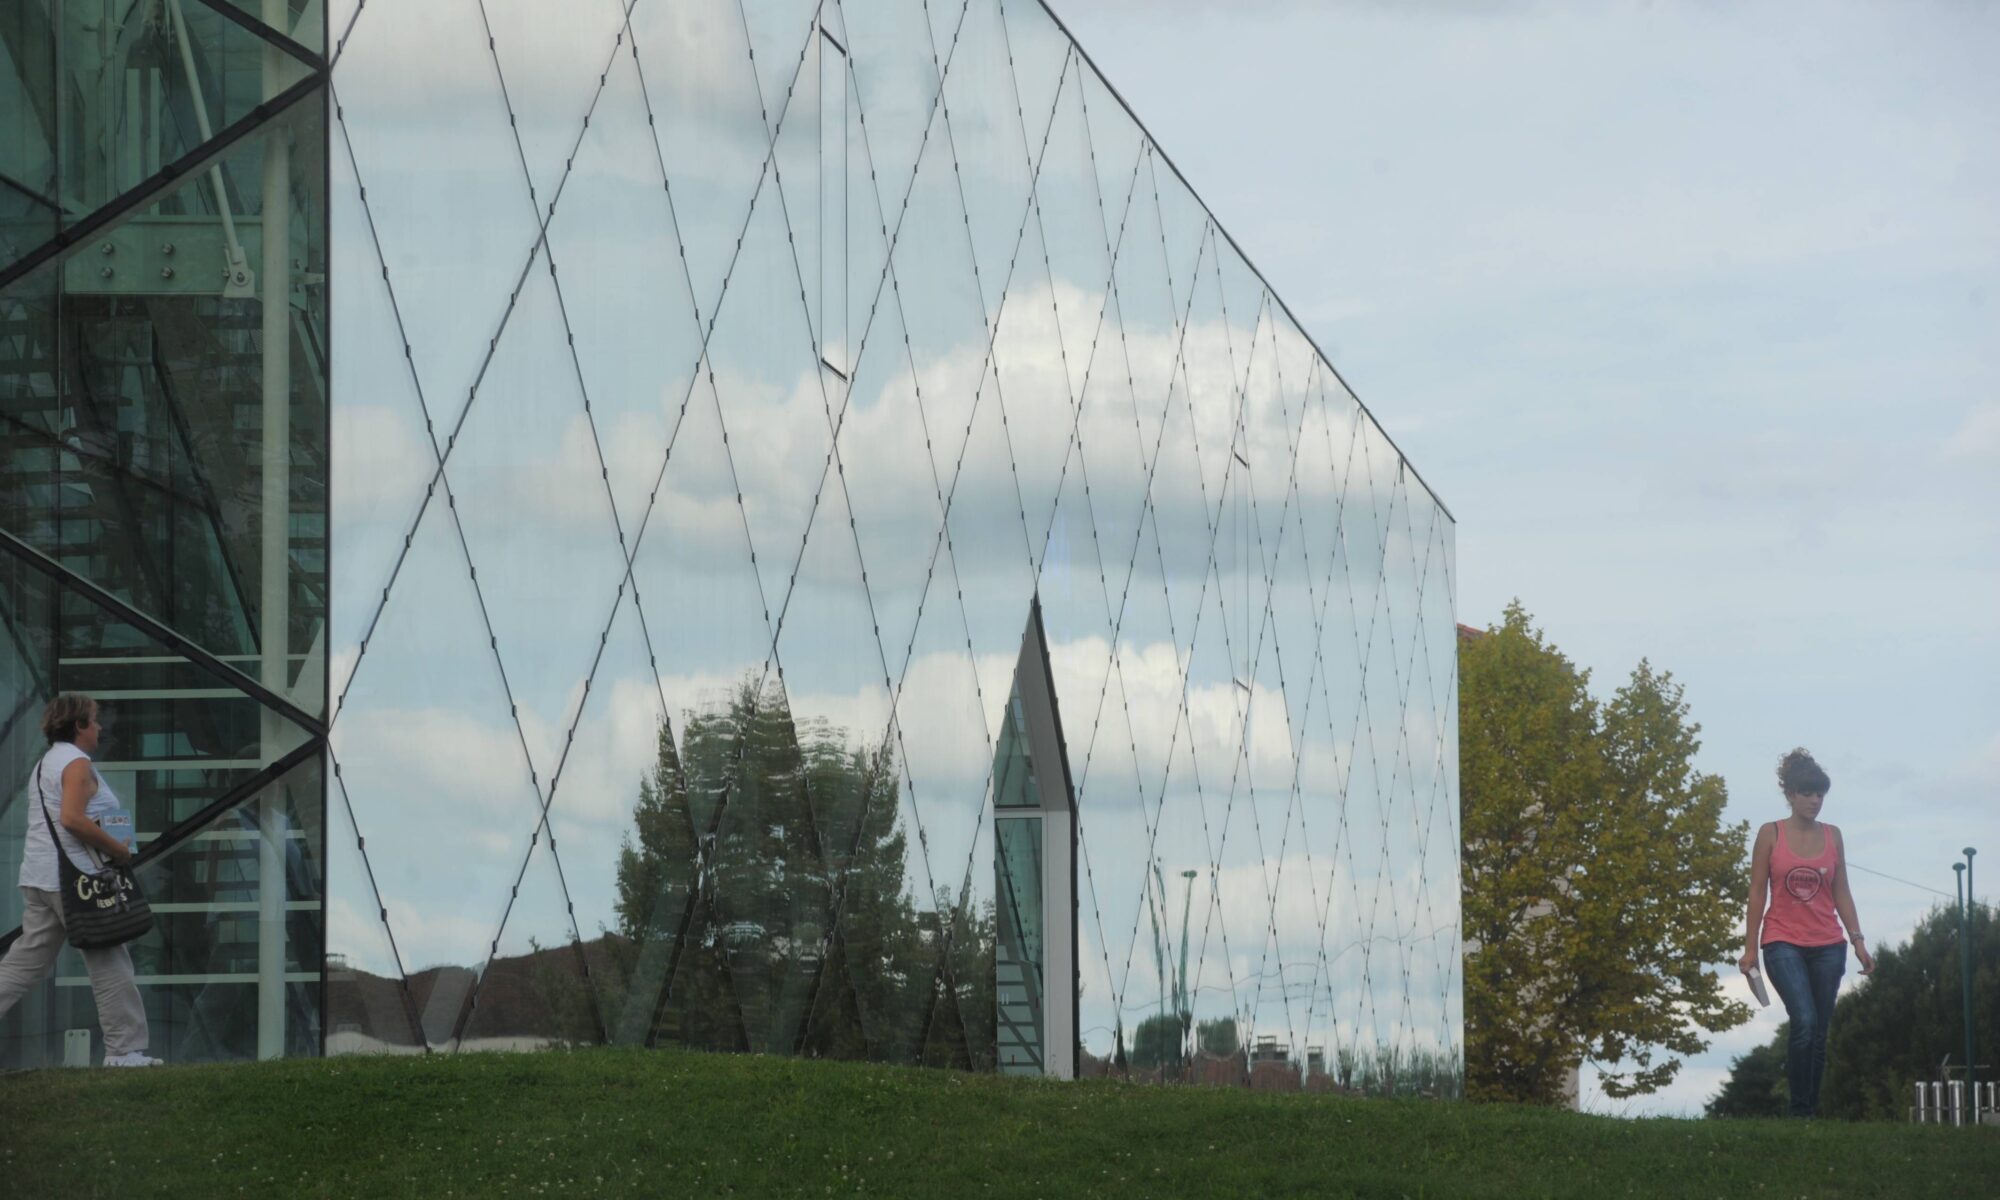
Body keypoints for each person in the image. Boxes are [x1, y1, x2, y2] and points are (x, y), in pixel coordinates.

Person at [0, 693, 160, 1066]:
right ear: (79, 726)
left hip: (42, 877)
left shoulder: (47, 763)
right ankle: (123, 1051)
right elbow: (72, 819)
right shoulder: (75, 763)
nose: (100, 727)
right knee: (110, 958)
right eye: (95, 720)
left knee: (24, 963)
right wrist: (117, 851)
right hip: (76, 880)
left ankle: (125, 1050)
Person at [1738, 748, 1872, 1117]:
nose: (1815, 801)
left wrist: (1858, 941)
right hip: (1782, 941)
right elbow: (1756, 891)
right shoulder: (1771, 834)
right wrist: (1750, 949)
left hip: (1829, 944)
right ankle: (1799, 1111)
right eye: (1807, 793)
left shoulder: (1833, 835)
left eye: (1820, 794)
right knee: (1805, 1021)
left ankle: (1809, 1112)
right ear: (1791, 795)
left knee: (1819, 1031)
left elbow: (1842, 890)